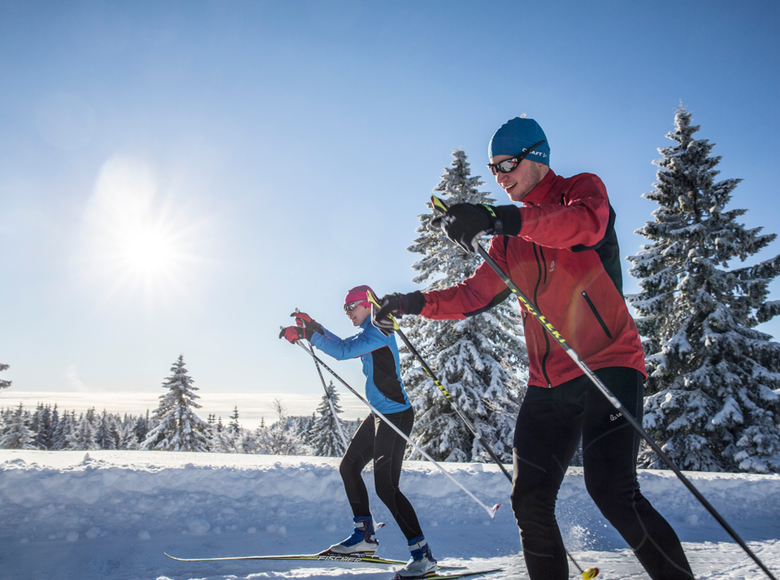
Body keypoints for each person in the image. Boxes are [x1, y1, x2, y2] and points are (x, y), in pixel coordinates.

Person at [375, 118, 694, 580]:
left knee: (611, 489)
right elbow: (473, 295)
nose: (500, 176)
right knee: (529, 500)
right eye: (493, 169)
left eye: (508, 164)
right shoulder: (508, 238)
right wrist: (410, 303)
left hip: (607, 363)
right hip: (549, 382)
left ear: (538, 155)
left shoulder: (579, 191)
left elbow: (582, 225)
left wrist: (499, 217)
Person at [279, 284, 437, 579]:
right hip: (380, 414)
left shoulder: (380, 329)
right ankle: (364, 536)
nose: (347, 313)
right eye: (345, 309)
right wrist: (314, 326)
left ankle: (423, 555)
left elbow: (342, 352)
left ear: (367, 304)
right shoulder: (370, 331)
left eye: (350, 307)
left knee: (386, 488)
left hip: (396, 416)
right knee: (349, 466)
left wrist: (305, 334)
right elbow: (342, 344)